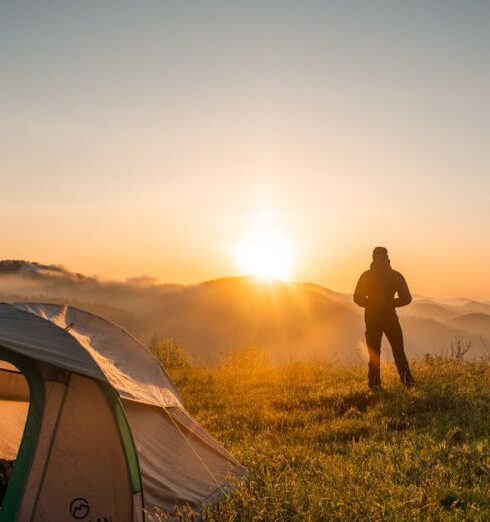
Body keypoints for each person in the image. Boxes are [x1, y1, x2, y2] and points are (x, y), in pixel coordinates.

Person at [354, 247, 414, 389]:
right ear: (387, 257)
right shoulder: (395, 276)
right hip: (390, 318)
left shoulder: (366, 276)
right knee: (398, 351)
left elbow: (357, 298)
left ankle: (375, 385)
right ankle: (408, 383)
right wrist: (390, 303)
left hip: (372, 318)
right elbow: (407, 298)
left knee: (374, 353)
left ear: (373, 257)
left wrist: (372, 303)